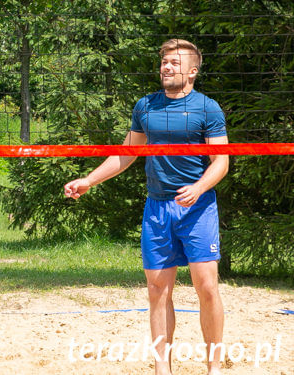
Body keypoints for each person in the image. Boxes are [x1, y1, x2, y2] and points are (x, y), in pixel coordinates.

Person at [64, 39, 229, 375]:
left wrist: (198, 188)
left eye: (174, 63)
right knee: (157, 290)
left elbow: (221, 162)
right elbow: (127, 154)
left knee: (207, 288)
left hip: (197, 208)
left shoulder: (207, 108)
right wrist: (88, 181)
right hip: (158, 208)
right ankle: (161, 369)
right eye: (164, 62)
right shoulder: (146, 106)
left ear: (193, 71)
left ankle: (214, 368)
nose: (166, 67)